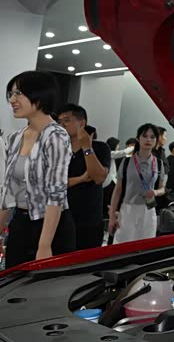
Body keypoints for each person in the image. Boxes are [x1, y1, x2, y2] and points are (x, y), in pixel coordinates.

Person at [0, 72, 75, 268]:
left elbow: (56, 193)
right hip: (20, 224)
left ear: (40, 96)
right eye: (11, 94)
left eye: (18, 93)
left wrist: (44, 245)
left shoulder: (56, 136)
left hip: (51, 227)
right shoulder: (15, 137)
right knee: (13, 281)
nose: (12, 100)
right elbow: (9, 190)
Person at [57, 105, 111, 251]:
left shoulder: (100, 148)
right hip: (60, 218)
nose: (62, 125)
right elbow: (55, 183)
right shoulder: (59, 150)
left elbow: (98, 177)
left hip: (89, 222)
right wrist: (81, 178)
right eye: (59, 121)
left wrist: (87, 148)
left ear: (81, 123)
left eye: (67, 120)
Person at [108, 124, 166, 244]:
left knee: (145, 246)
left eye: (152, 137)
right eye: (145, 136)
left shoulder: (159, 164)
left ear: (156, 140)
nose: (148, 140)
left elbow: (162, 188)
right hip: (127, 210)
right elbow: (118, 190)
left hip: (148, 210)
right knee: (123, 246)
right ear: (138, 139)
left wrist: (155, 192)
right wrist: (112, 216)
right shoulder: (126, 162)